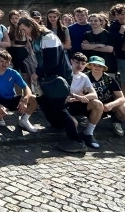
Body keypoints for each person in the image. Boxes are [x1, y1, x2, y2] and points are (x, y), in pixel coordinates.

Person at [19, 15, 82, 151]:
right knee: (44, 101)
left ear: (31, 26)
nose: (24, 33)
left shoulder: (48, 37)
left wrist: (38, 73)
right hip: (47, 77)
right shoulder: (36, 38)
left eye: (24, 29)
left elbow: (52, 61)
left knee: (59, 107)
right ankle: (56, 127)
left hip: (58, 77)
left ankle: (76, 140)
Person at [0, 50, 38, 132]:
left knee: (33, 99)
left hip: (11, 99)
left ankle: (24, 120)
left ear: (10, 62)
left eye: (7, 62)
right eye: (2, 61)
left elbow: (26, 88)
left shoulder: (13, 73)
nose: (4, 64)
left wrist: (25, 100)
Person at [64, 53, 102, 149]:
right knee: (73, 123)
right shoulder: (64, 73)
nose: (79, 65)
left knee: (98, 104)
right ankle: (73, 140)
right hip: (65, 104)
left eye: (83, 64)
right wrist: (76, 97)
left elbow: (94, 95)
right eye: (77, 62)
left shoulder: (84, 77)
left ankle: (88, 133)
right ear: (71, 61)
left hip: (77, 103)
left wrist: (80, 98)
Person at [84, 55, 125, 138]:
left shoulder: (109, 79)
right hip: (93, 104)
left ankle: (116, 122)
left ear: (103, 68)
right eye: (95, 65)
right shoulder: (84, 77)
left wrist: (111, 105)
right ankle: (90, 120)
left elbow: (121, 98)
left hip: (108, 106)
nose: (97, 67)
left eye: (100, 66)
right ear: (90, 66)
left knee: (124, 110)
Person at [7, 10, 30, 81]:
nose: (14, 20)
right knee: (14, 70)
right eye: (12, 18)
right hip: (12, 51)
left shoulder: (22, 28)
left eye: (16, 18)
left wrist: (31, 52)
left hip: (21, 51)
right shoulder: (9, 29)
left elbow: (28, 41)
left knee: (24, 70)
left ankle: (26, 86)